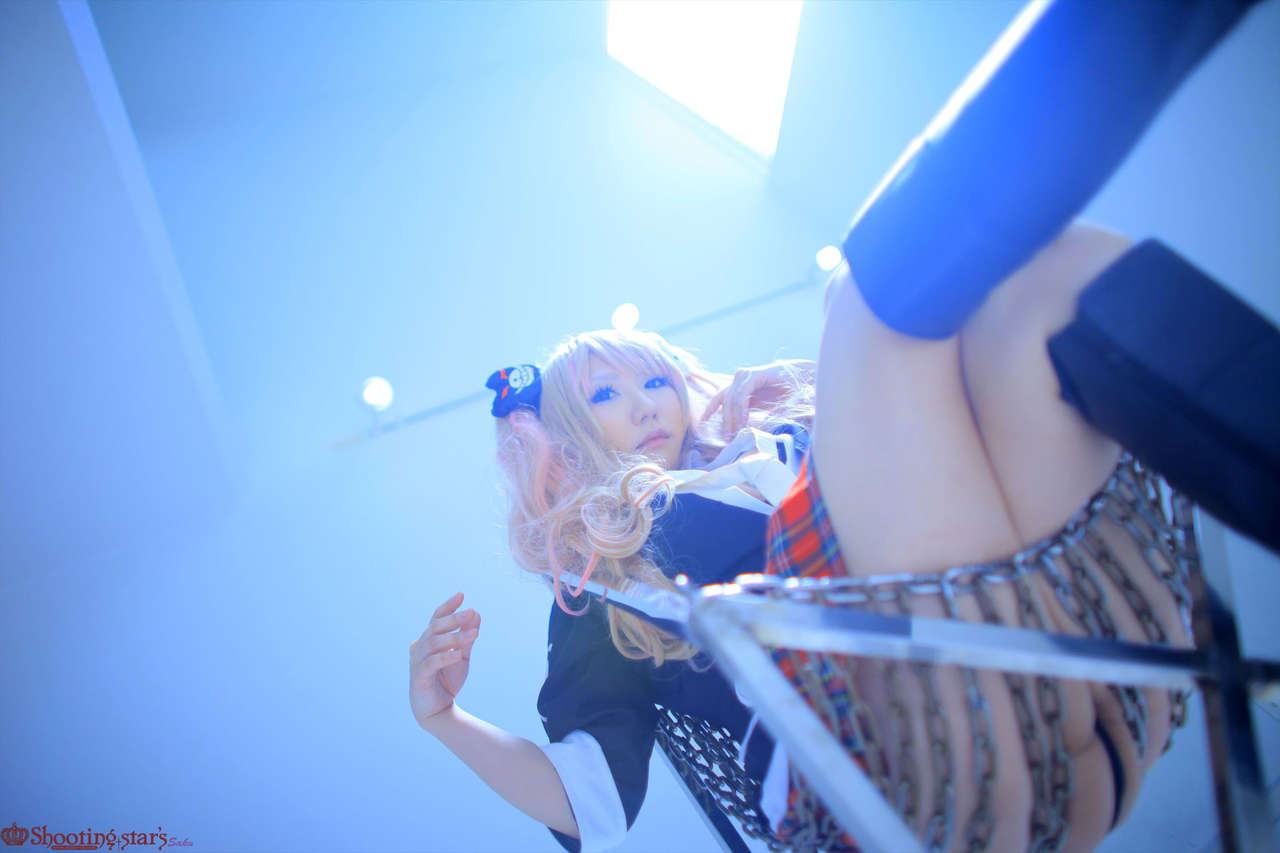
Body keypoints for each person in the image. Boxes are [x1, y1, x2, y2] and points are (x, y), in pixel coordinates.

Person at [408, 221, 1192, 852]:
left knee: (1056, 275)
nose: (645, 404)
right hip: (900, 769)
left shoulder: (769, 443)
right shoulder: (604, 566)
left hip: (1070, 675)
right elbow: (592, 801)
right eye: (605, 394)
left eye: (655, 380)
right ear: (569, 440)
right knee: (860, 298)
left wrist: (805, 417)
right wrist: (445, 719)